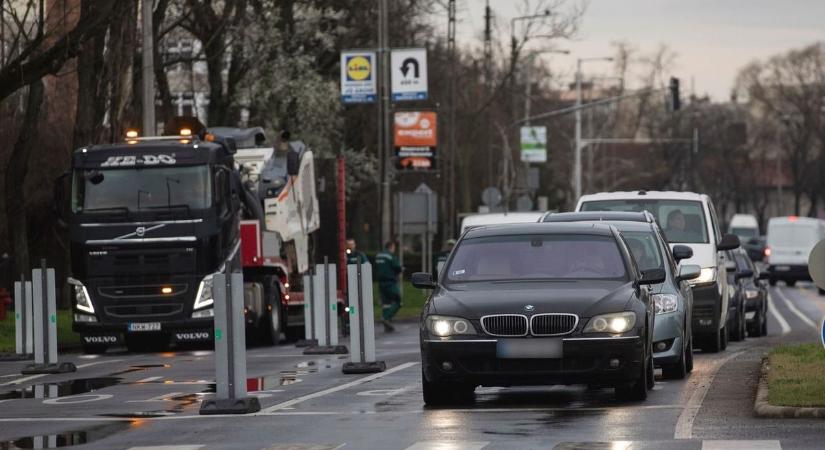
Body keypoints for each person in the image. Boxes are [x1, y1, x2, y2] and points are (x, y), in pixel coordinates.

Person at [375, 241, 402, 332]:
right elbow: (397, 267)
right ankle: (385, 317)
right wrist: (401, 270)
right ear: (391, 246)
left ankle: (387, 325)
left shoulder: (378, 255)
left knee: (386, 303)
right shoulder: (390, 256)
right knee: (398, 301)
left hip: (380, 282)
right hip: (390, 282)